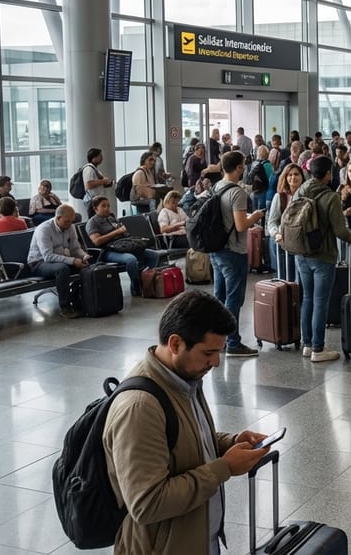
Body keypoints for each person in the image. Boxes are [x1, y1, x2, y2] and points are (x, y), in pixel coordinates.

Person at [103, 290, 271, 554]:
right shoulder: (140, 407)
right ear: (175, 343)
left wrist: (230, 443)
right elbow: (146, 503)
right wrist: (224, 468)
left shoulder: (184, 380)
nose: (215, 362)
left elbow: (185, 442)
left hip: (196, 540)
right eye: (208, 353)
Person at [295, 156, 351, 362]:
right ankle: (318, 348)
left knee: (307, 298)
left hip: (301, 252)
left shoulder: (300, 191)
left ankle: (307, 344)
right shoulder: (330, 196)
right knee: (320, 301)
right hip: (323, 255)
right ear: (327, 174)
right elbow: (340, 231)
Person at [209, 151, 265, 356]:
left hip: (216, 249)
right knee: (234, 299)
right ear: (239, 168)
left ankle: (219, 340)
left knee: (219, 296)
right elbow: (241, 225)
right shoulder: (237, 192)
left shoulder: (217, 187)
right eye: (243, 166)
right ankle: (233, 342)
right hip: (233, 251)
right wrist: (256, 216)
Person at [85, 196, 160, 298]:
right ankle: (136, 285)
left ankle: (142, 277)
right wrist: (117, 232)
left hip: (123, 246)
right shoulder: (92, 222)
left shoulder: (111, 218)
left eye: (108, 206)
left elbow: (123, 233)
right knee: (131, 260)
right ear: (95, 208)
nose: (107, 208)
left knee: (154, 255)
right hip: (108, 251)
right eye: (103, 206)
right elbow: (97, 241)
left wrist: (124, 233)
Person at [28, 204, 91, 319]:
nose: (69, 225)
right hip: (39, 263)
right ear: (58, 218)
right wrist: (73, 261)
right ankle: (65, 307)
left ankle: (78, 300)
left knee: (85, 267)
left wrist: (84, 256)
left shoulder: (70, 227)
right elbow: (48, 256)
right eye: (67, 222)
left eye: (71, 221)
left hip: (61, 260)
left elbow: (75, 249)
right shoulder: (44, 229)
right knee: (62, 269)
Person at [82, 148, 114, 217]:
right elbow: (88, 184)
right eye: (100, 156)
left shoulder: (95, 169)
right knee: (94, 220)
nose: (102, 158)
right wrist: (104, 181)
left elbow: (96, 183)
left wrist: (106, 184)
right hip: (93, 200)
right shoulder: (89, 169)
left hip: (97, 199)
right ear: (94, 157)